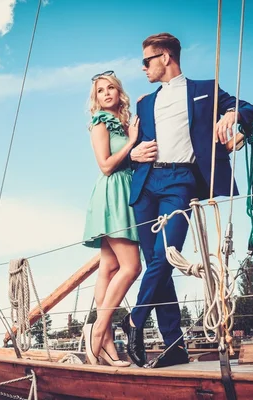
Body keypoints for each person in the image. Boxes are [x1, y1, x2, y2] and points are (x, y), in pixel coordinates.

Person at [121, 33, 253, 368]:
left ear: (165, 57)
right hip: (146, 185)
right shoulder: (144, 103)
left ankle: (134, 320)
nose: (143, 68)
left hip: (181, 182)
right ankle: (174, 347)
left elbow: (249, 108)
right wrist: (134, 153)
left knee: (165, 256)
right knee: (159, 266)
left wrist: (233, 116)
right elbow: (130, 151)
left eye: (146, 61)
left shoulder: (205, 90)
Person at [82, 70, 142, 367]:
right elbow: (105, 165)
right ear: (96, 98)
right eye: (100, 90)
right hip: (112, 192)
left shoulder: (122, 121)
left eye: (111, 88)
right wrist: (131, 143)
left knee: (109, 266)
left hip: (125, 190)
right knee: (131, 267)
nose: (106, 93)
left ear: (119, 92)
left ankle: (104, 345)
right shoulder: (100, 123)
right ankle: (97, 332)